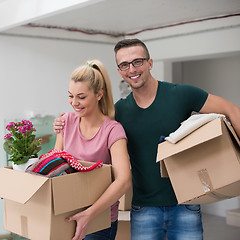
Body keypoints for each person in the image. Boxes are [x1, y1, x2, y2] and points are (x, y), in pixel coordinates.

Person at [55, 39, 240, 240]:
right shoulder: (119, 112)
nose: (132, 69)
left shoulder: (181, 94)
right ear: (119, 71)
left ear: (150, 63)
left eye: (138, 62)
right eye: (124, 65)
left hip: (185, 204)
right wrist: (64, 123)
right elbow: (92, 125)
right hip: (144, 208)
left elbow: (232, 110)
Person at [55, 60, 131, 240]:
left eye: (81, 97)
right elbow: (55, 169)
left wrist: (89, 214)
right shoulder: (66, 122)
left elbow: (124, 181)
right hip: (67, 215)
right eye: (70, 96)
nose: (74, 103)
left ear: (99, 94)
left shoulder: (113, 130)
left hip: (99, 221)